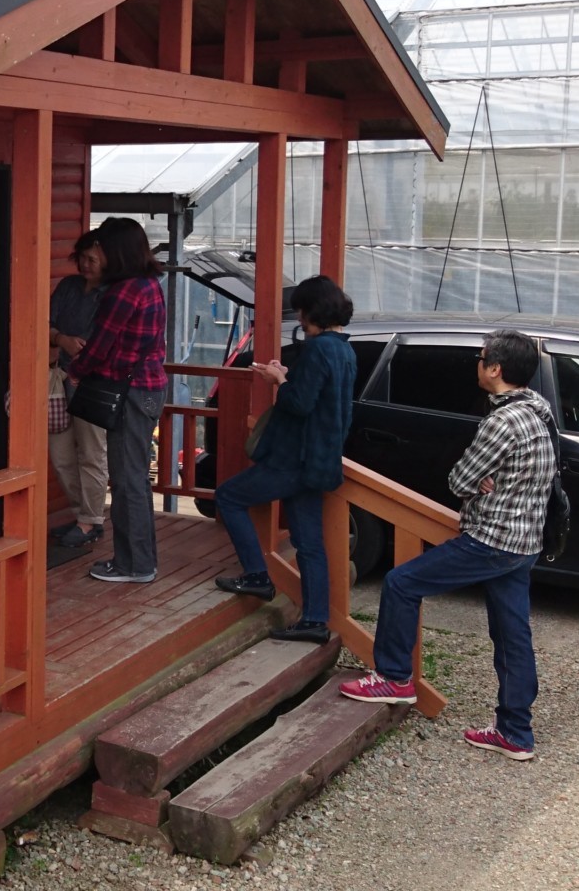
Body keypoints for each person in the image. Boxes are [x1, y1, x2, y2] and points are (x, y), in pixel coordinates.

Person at [340, 329, 556, 763]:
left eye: (481, 358)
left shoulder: (501, 422)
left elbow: (459, 480)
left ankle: (394, 677)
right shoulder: (538, 411)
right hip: (525, 542)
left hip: (492, 540)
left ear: (495, 369)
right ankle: (516, 732)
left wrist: (479, 481)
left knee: (402, 583)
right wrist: (485, 480)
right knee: (512, 635)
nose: (477, 363)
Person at [209, 276, 358, 643]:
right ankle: (315, 620)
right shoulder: (345, 350)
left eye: (302, 312)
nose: (300, 320)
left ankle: (257, 575)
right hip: (321, 460)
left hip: (295, 458)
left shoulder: (318, 349)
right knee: (310, 543)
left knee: (228, 496)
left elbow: (299, 403)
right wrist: (289, 377)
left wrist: (278, 379)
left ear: (313, 312)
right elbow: (320, 398)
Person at [67, 217, 168, 585]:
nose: (100, 253)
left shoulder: (124, 291)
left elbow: (100, 345)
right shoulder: (149, 284)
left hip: (128, 392)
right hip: (149, 388)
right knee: (136, 480)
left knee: (127, 482)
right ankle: (141, 560)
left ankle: (133, 565)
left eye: (103, 248)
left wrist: (76, 370)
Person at [50, 233, 110, 548]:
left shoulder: (113, 294)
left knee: (91, 453)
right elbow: (43, 322)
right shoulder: (68, 287)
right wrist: (61, 339)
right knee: (60, 455)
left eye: (92, 259)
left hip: (93, 382)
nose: (85, 265)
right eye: (82, 258)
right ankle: (80, 515)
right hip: (60, 377)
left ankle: (92, 519)